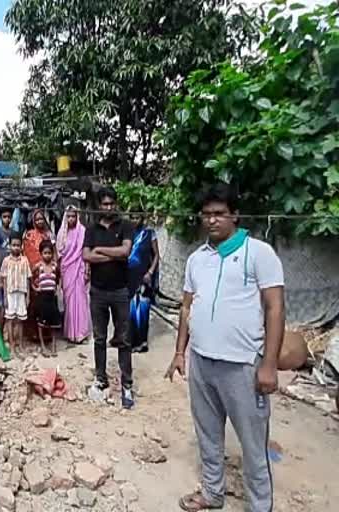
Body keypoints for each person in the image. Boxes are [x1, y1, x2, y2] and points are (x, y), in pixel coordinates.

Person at [165, 184, 284, 512]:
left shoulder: (258, 253)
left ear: (235, 215)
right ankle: (213, 494)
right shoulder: (196, 259)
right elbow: (186, 307)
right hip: (202, 362)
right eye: (206, 215)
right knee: (208, 435)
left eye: (219, 214)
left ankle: (260, 506)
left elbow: (275, 308)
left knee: (252, 444)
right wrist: (179, 352)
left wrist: (269, 365)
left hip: (243, 365)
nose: (212, 220)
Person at [83, 187, 135, 409]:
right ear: (99, 205)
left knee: (124, 339)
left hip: (120, 291)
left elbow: (125, 253)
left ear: (116, 204)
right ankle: (101, 378)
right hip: (98, 292)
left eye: (111, 203)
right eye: (104, 204)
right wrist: (112, 254)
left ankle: (127, 385)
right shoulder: (91, 229)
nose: (108, 207)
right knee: (99, 338)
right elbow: (86, 256)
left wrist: (100, 252)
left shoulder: (125, 226)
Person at [57, 205, 92, 344]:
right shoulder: (62, 233)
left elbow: (86, 251)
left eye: (73, 216)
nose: (71, 219)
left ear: (77, 216)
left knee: (81, 301)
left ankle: (81, 333)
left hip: (79, 269)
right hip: (67, 270)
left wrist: (88, 269)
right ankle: (70, 333)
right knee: (69, 302)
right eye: (69, 216)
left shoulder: (82, 231)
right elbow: (59, 253)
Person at [127, 217, 160, 353]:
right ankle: (132, 342)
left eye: (137, 217)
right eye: (132, 217)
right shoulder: (128, 232)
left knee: (144, 309)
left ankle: (142, 342)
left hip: (145, 276)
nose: (135, 220)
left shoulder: (149, 233)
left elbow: (157, 255)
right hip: (130, 277)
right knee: (131, 309)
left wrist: (150, 272)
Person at [24, 209, 56, 342]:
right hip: (35, 275)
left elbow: (54, 254)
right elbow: (26, 254)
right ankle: (32, 333)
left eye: (41, 218)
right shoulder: (29, 235)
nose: (39, 221)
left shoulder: (49, 235)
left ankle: (47, 335)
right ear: (33, 221)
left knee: (48, 306)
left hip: (48, 275)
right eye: (37, 219)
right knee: (34, 305)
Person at [0, 232, 32, 355]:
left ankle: (20, 344)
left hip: (21, 293)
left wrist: (28, 295)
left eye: (18, 245)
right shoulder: (6, 261)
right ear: (9, 246)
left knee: (20, 320)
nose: (16, 247)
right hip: (10, 293)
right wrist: (5, 297)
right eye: (13, 245)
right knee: (10, 319)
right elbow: (3, 280)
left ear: (21, 246)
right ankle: (12, 345)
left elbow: (28, 279)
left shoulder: (25, 260)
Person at [33, 239, 62, 355]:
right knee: (41, 322)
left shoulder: (55, 266)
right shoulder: (38, 266)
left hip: (52, 297)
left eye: (49, 253)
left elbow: (60, 277)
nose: (47, 255)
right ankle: (43, 347)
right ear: (41, 253)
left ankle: (54, 346)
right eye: (45, 253)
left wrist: (58, 288)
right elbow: (30, 275)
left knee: (53, 322)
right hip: (42, 297)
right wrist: (35, 287)